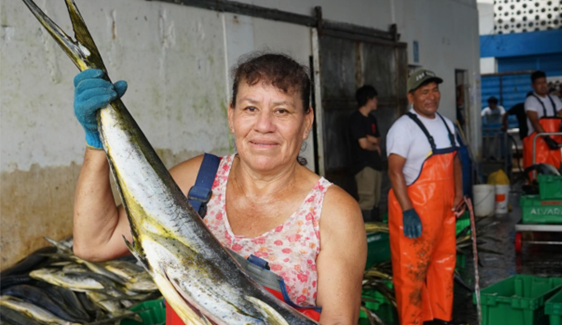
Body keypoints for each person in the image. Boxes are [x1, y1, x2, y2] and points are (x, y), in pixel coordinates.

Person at [71, 53, 367, 324]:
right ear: (231, 116)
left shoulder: (332, 212)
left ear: (306, 123)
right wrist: (98, 144)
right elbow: (95, 243)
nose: (264, 125)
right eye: (250, 108)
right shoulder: (198, 180)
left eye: (282, 111)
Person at [386, 69, 466, 325]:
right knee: (411, 273)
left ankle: (440, 319)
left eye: (434, 90)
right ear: (411, 96)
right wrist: (408, 210)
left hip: (444, 211)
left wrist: (459, 194)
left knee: (444, 266)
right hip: (415, 211)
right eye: (424, 92)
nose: (432, 97)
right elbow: (394, 171)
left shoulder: (446, 123)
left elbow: (454, 161)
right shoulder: (403, 128)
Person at [523, 70, 562, 176]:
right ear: (533, 86)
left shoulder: (554, 99)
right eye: (539, 83)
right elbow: (535, 122)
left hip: (557, 142)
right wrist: (548, 139)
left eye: (544, 82)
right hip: (539, 144)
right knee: (539, 174)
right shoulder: (531, 101)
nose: (543, 86)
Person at [348, 85, 383, 221]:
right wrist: (373, 144)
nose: (377, 102)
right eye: (375, 99)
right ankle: (363, 232)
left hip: (375, 164)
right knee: (367, 199)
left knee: (376, 199)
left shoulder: (372, 119)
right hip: (364, 165)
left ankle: (375, 229)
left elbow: (378, 139)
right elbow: (363, 144)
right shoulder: (356, 119)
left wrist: (371, 139)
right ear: (369, 99)